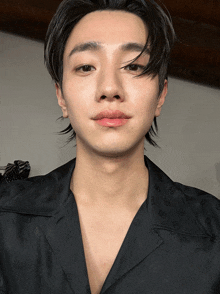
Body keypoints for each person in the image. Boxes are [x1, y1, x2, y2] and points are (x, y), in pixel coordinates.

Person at [0, 0, 220, 293]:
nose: (110, 89)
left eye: (133, 66)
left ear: (161, 95)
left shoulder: (213, 231)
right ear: (61, 96)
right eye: (86, 66)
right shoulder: (6, 217)